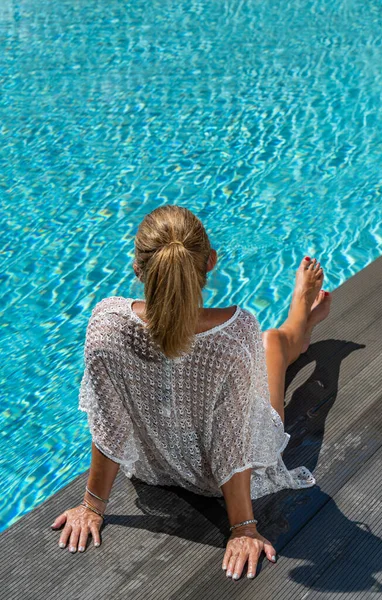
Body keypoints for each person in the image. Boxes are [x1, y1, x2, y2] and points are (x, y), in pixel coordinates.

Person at [50, 204, 331, 581]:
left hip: (152, 467)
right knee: (271, 347)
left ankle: (301, 322)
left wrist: (92, 506)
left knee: (266, 350)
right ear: (210, 261)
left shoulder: (105, 325)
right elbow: (233, 441)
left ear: (138, 267)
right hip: (220, 482)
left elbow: (108, 426)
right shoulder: (233, 333)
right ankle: (301, 315)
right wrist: (243, 527)